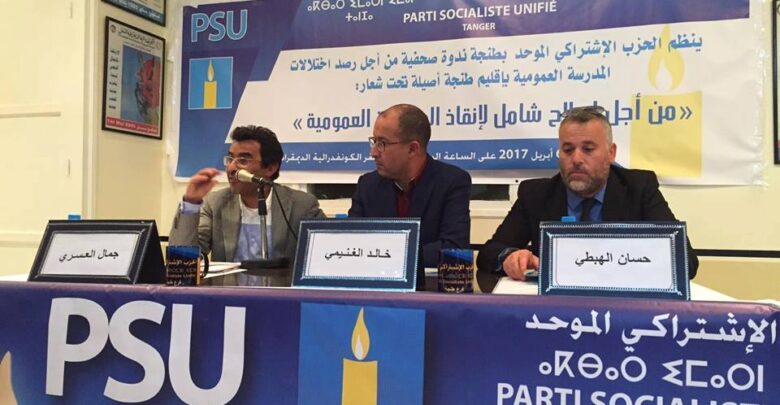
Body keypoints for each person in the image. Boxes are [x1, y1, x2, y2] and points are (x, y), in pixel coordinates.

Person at [477, 105, 699, 281]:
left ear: (611, 153)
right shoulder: (536, 194)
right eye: (568, 149)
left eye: (588, 149)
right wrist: (509, 257)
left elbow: (686, 261)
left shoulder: (639, 188)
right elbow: (489, 253)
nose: (576, 159)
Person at [169, 125, 325, 263]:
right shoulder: (215, 203)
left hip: (280, 287)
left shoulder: (302, 205)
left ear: (270, 168)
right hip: (229, 287)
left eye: (243, 160)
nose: (231, 168)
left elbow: (325, 253)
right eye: (230, 159)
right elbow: (181, 259)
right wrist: (191, 203)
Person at [349, 103, 471, 271]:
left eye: (382, 143)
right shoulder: (368, 185)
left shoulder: (451, 182)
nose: (374, 152)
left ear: (413, 149)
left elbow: (454, 248)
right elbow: (351, 243)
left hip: (428, 285)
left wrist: (390, 256)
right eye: (374, 141)